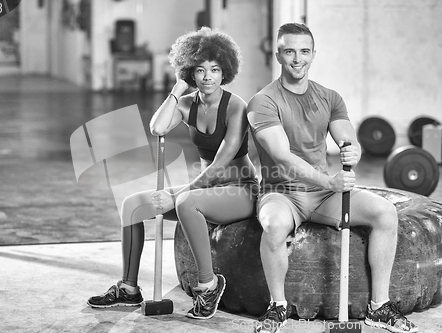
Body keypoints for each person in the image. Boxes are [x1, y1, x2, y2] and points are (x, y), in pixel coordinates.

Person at [247, 23, 417, 333]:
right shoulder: (263, 101)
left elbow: (347, 139)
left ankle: (379, 307)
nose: (297, 59)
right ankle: (278, 306)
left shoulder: (330, 97)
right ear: (278, 55)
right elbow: (283, 155)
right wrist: (329, 182)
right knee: (272, 226)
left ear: (313, 55)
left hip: (324, 196)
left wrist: (353, 152)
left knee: (385, 213)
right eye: (289, 52)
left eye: (304, 52)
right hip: (282, 193)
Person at [87, 27, 258, 320]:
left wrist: (178, 194)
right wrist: (177, 90)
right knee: (132, 205)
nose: (207, 77)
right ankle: (128, 290)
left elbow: (219, 164)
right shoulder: (188, 103)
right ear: (189, 71)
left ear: (225, 72)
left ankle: (208, 286)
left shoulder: (236, 106)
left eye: (215, 70)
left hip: (239, 190)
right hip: (202, 190)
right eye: (200, 70)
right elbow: (158, 127)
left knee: (184, 202)